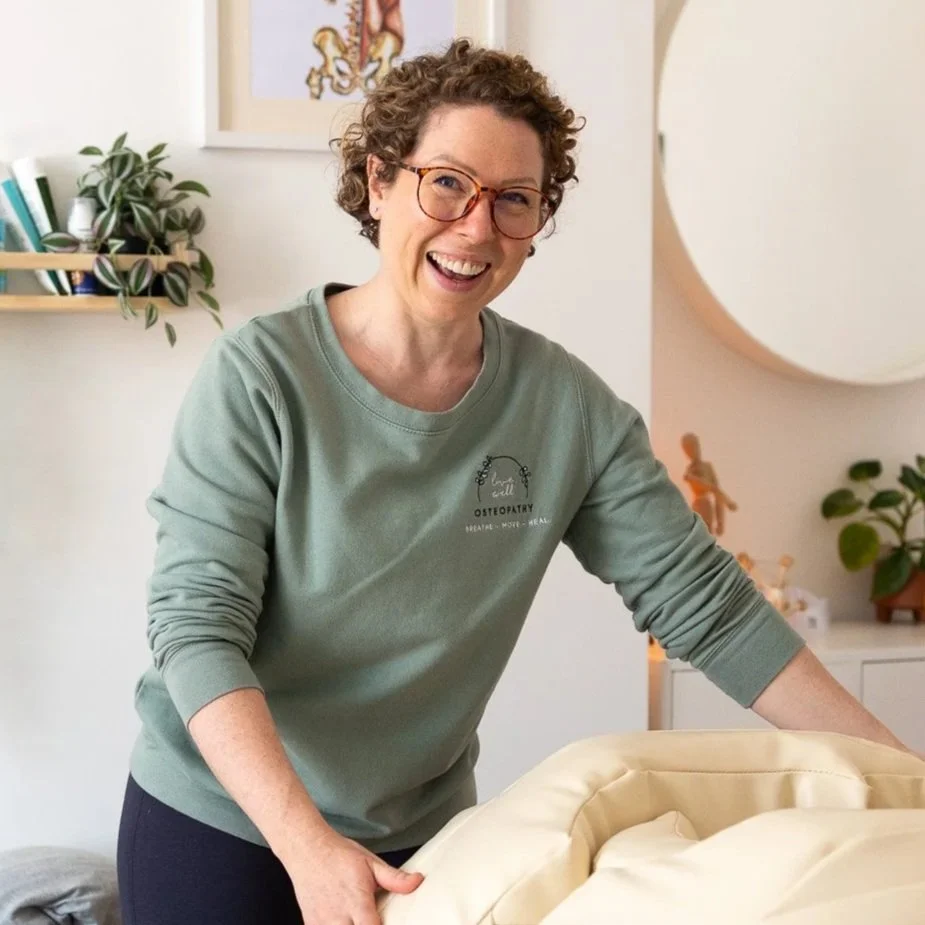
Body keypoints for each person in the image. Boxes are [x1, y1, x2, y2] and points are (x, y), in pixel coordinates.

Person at [116, 38, 912, 925]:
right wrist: (306, 844)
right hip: (224, 819)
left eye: (514, 201)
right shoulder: (260, 377)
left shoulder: (563, 407)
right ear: (378, 183)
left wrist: (899, 776)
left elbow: (706, 607)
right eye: (446, 182)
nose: (475, 227)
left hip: (421, 834)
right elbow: (195, 629)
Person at [681, 432, 737, 536]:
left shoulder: (707, 467)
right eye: (688, 450)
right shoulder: (690, 471)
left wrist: (720, 522)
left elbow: (716, 493)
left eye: (694, 447)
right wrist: (727, 501)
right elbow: (710, 487)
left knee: (708, 537)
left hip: (707, 507)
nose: (693, 452)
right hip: (698, 507)